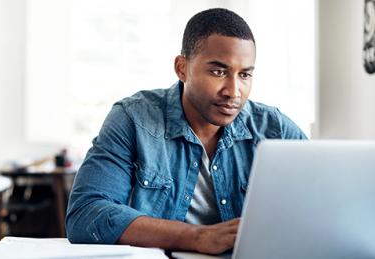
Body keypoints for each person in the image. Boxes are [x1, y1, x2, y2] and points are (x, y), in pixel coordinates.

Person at [66, 8, 307, 254]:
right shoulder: (134, 119)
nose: (233, 91)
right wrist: (197, 236)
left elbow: (324, 208)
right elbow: (86, 214)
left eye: (244, 74)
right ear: (182, 68)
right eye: (218, 72)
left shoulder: (274, 128)